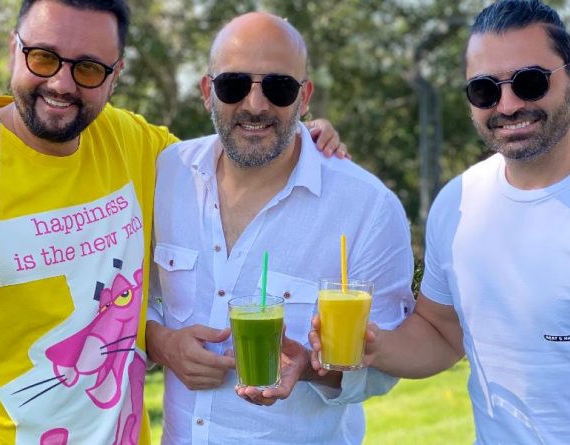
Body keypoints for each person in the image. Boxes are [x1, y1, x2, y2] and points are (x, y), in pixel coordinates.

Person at [0, 1, 344, 444]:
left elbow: (229, 160)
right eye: (42, 57)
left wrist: (297, 137)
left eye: (88, 68)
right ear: (14, 50)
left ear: (115, 75)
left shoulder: (132, 142)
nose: (61, 83)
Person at [311, 1, 570, 444]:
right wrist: (375, 345)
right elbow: (441, 333)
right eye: (484, 89)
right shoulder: (458, 204)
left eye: (530, 81)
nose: (508, 104)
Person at [144, 12, 414, 445]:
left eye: (279, 87)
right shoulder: (167, 173)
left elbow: (386, 366)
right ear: (207, 92)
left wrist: (311, 368)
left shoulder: (368, 207)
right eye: (233, 85)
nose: (255, 105)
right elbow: (130, 295)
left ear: (304, 97)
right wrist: (161, 343)